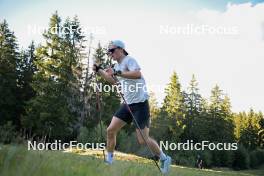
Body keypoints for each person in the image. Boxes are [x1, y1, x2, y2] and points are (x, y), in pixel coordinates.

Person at [93, 40, 171, 174]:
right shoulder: (118, 66)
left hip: (141, 106)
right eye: (109, 52)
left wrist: (117, 72)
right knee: (110, 130)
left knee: (143, 140)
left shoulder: (129, 60)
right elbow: (113, 81)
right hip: (127, 105)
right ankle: (110, 160)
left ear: (121, 49)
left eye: (112, 51)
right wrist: (99, 70)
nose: (110, 54)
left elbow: (137, 74)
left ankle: (164, 158)